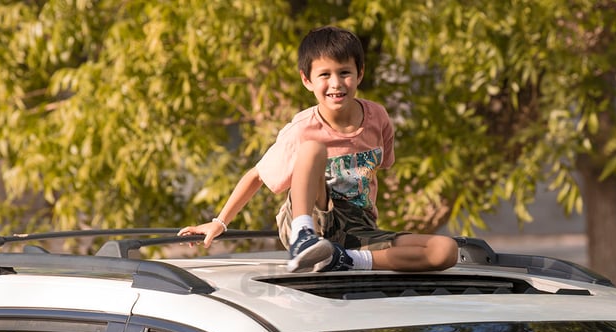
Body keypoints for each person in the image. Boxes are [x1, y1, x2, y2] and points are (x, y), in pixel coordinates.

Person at [178, 25, 459, 274]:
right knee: (313, 149)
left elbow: (380, 169)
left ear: (359, 74)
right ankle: (304, 239)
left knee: (445, 250)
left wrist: (351, 247)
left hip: (357, 228)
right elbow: (256, 175)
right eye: (324, 74)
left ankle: (345, 260)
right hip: (312, 215)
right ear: (307, 80)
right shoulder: (303, 127)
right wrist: (219, 222)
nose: (336, 83)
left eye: (344, 73)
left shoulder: (378, 118)